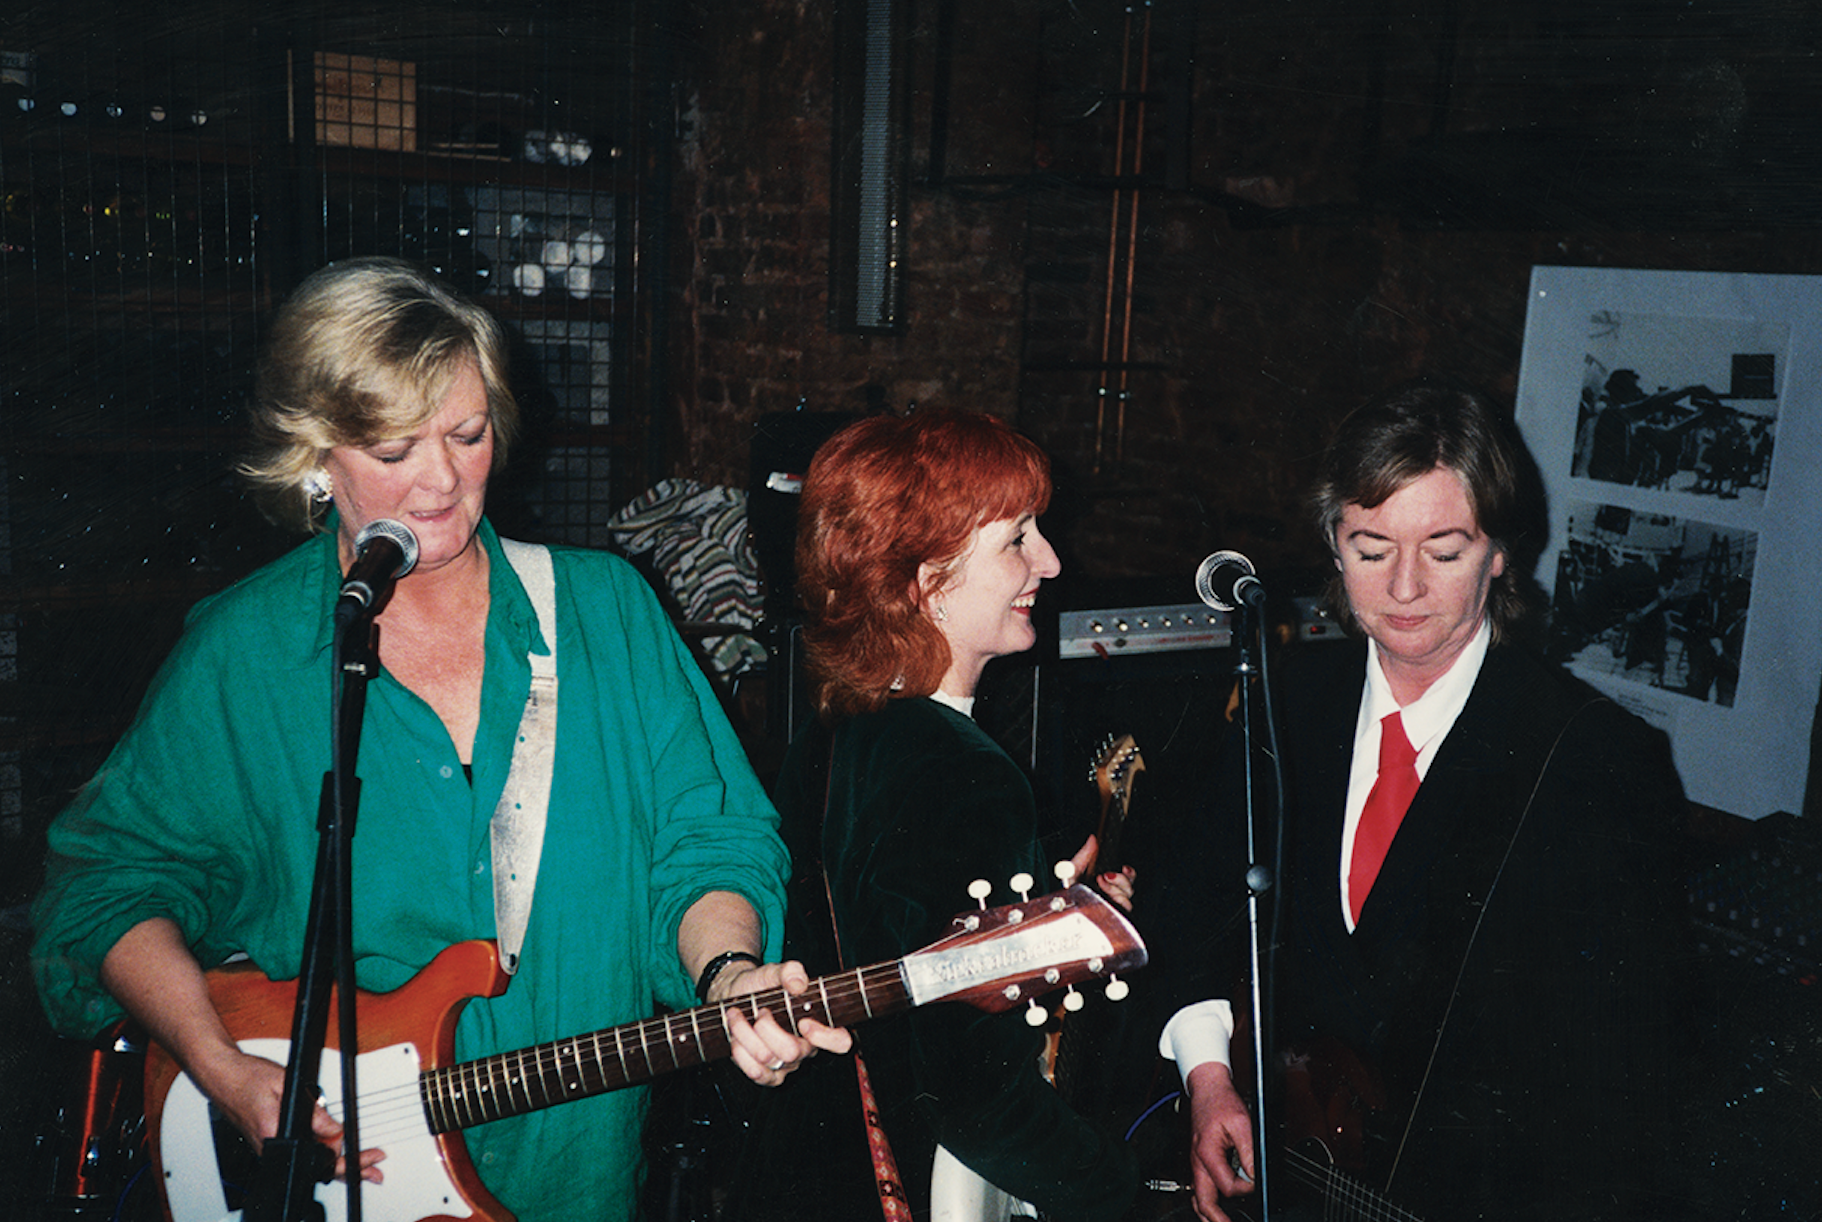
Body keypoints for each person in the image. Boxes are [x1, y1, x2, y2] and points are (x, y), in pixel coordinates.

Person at [30, 256, 848, 1222]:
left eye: (468, 433)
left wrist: (731, 974)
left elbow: (709, 838)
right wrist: (222, 1069)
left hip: (575, 1174)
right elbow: (110, 885)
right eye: (393, 450)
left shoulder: (605, 614)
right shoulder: (245, 652)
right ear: (314, 456)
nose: (445, 479)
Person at [1160, 380, 1692, 1222]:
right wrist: (1208, 1077)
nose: (1404, 588)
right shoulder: (1281, 704)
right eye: (1372, 549)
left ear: (1501, 553)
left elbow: (1624, 1080)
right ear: (1334, 547)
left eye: (1443, 551)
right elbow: (1194, 905)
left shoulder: (1598, 760)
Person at [733, 409, 1140, 1221]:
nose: (1050, 563)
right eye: (1018, 540)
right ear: (924, 581)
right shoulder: (967, 772)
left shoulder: (832, 730)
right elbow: (974, 1096)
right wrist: (1120, 1192)